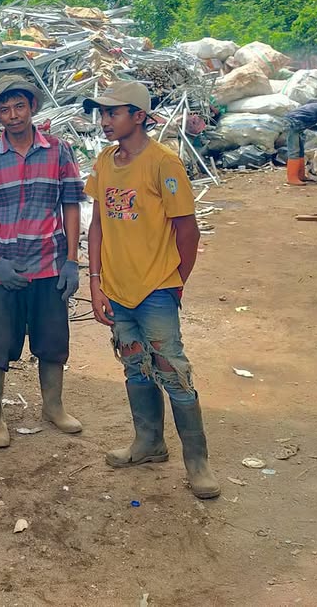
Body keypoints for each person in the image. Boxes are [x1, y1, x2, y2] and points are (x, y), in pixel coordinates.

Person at [82, 81, 220, 500]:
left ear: (138, 116)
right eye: (102, 114)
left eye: (114, 113)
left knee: (172, 370)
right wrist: (95, 282)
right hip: (118, 289)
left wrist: (176, 283)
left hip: (157, 288)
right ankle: (149, 443)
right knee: (134, 365)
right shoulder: (106, 162)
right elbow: (99, 225)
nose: (105, 121)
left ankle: (197, 461)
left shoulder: (164, 163)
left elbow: (187, 232)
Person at [0, 75, 84, 449]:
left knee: (52, 341)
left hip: (48, 265)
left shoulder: (59, 151)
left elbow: (71, 204)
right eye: (4, 109)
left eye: (19, 106)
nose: (13, 115)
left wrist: (71, 260)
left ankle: (54, 406)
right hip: (4, 271)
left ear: (32, 108)